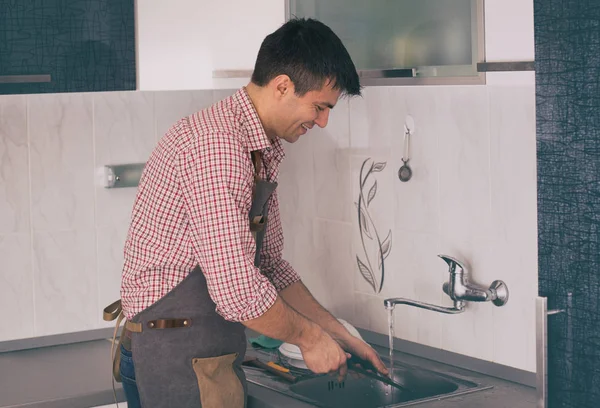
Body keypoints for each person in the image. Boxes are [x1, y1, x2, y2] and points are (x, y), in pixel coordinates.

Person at [109, 17, 388, 408]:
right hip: (175, 359)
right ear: (282, 87)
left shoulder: (258, 149)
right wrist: (309, 339)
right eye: (320, 107)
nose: (323, 122)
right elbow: (237, 291)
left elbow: (270, 267)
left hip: (204, 355)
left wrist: (337, 334)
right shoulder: (218, 147)